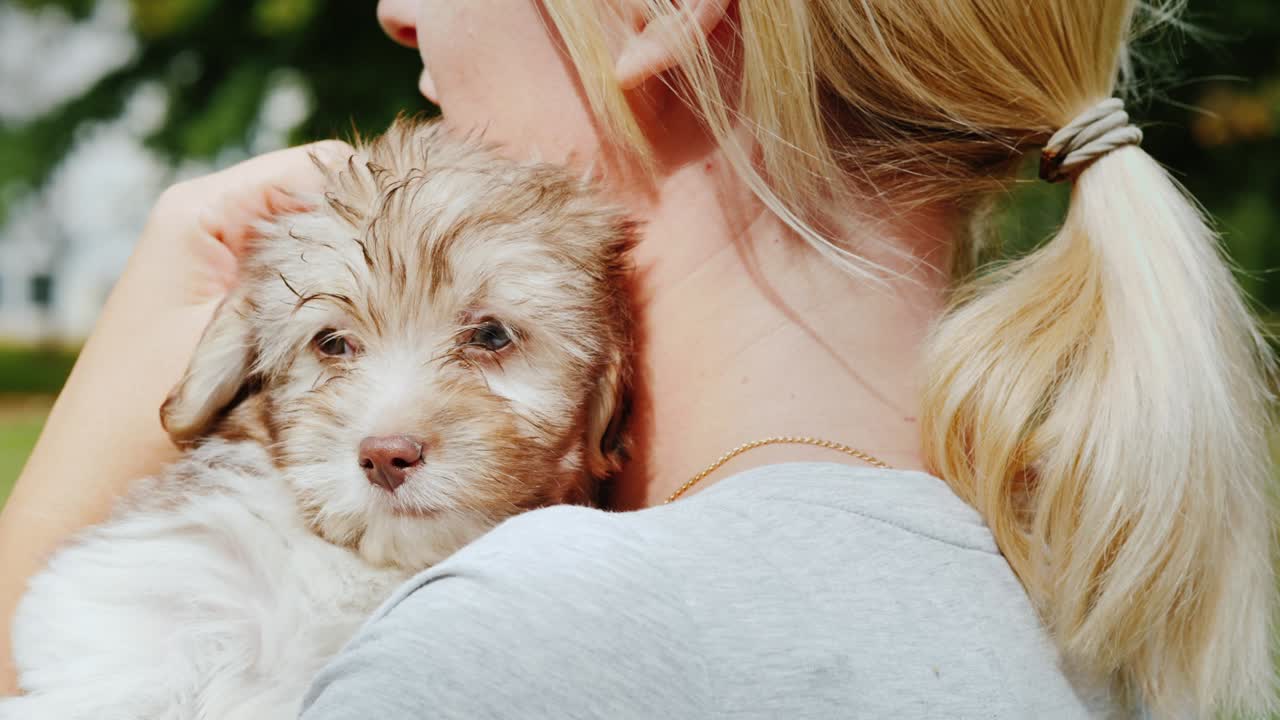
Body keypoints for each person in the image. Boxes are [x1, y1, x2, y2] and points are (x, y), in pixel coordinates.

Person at [1, 1, 1274, 717]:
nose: (393, 11)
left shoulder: (525, 643)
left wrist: (75, 481)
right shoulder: (1087, 582)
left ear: (655, 14)